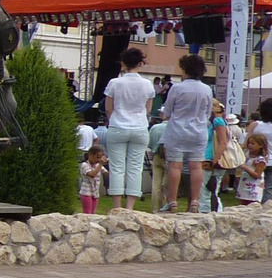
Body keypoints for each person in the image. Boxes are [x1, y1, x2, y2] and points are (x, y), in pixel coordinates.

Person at [102, 47, 154, 210]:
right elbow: (148, 109)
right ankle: (130, 206)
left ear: (123, 63)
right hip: (139, 127)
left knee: (117, 167)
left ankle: (117, 206)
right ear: (140, 63)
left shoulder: (114, 83)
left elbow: (108, 108)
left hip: (118, 126)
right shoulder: (147, 84)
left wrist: (115, 119)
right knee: (136, 167)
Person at [159, 53, 212, 212]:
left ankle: (172, 201)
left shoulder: (177, 88)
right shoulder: (207, 89)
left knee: (175, 166)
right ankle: (195, 201)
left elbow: (167, 111)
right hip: (199, 132)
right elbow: (208, 113)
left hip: (178, 131)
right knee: (196, 167)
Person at [203, 99, 231, 213]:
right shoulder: (218, 121)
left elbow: (223, 142)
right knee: (209, 189)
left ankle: (208, 212)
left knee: (206, 191)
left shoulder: (217, 121)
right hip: (209, 157)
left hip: (211, 159)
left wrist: (214, 161)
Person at [238, 133, 267, 207]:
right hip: (244, 185)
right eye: (249, 143)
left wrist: (245, 168)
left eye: (253, 143)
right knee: (243, 205)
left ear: (261, 145)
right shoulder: (248, 156)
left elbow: (257, 175)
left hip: (253, 188)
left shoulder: (260, 160)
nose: (250, 145)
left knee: (252, 205)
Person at [252, 99, 272, 203]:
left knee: (253, 184)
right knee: (269, 188)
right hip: (271, 160)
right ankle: (266, 208)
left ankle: (253, 205)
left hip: (256, 159)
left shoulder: (256, 125)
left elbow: (247, 141)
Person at [78, 144, 106, 214]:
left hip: (95, 193)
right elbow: (92, 174)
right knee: (88, 213)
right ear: (90, 155)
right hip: (86, 192)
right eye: (97, 157)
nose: (98, 160)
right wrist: (100, 164)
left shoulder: (97, 165)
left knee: (93, 213)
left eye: (100, 158)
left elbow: (106, 173)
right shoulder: (85, 165)